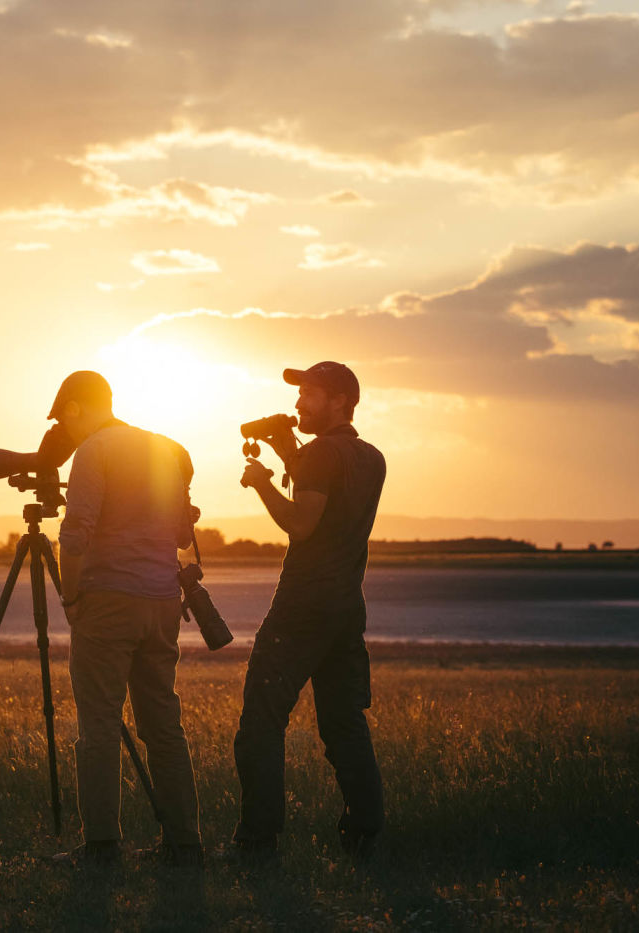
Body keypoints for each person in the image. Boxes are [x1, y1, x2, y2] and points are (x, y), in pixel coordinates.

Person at [230, 361, 386, 863]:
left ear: (339, 400)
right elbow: (329, 494)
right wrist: (289, 454)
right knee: (344, 724)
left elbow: (301, 524)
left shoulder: (319, 454)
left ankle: (257, 843)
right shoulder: (370, 457)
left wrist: (261, 482)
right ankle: (366, 835)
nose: (299, 404)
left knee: (261, 720)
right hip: (345, 606)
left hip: (301, 606)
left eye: (310, 395)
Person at [49, 370, 203, 868]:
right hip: (160, 604)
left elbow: (74, 537)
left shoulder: (94, 450)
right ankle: (184, 843)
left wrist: (72, 599)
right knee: (163, 726)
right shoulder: (164, 449)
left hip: (109, 603)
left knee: (99, 725)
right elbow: (182, 534)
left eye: (64, 419)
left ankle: (101, 847)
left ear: (75, 408)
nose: (64, 433)